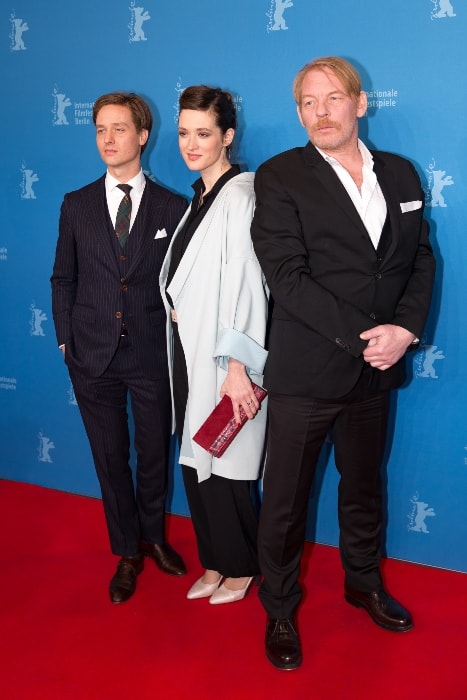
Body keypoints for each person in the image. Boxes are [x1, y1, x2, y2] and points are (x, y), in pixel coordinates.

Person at [251, 57, 435, 669]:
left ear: (360, 103)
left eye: (333, 98)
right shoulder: (279, 177)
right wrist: (367, 337)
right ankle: (279, 607)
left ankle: (364, 584)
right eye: (308, 102)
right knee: (285, 501)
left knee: (364, 488)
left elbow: (420, 260)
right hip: (309, 371)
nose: (320, 112)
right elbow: (287, 278)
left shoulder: (403, 174)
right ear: (299, 111)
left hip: (377, 370)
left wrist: (405, 329)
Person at [51, 92, 188, 604]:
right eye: (100, 130)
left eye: (119, 129)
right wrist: (67, 339)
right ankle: (127, 551)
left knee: (153, 454)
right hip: (92, 356)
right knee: (110, 458)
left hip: (151, 354)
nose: (108, 139)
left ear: (143, 136)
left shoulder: (174, 207)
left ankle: (154, 537)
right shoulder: (76, 203)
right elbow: (63, 276)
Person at [160, 86, 269, 604]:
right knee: (195, 458)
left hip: (225, 359)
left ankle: (241, 567)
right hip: (188, 351)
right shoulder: (200, 198)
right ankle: (214, 562)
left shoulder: (240, 197)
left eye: (203, 133)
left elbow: (248, 286)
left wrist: (238, 366)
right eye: (184, 133)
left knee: (225, 463)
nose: (191, 143)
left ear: (227, 136)